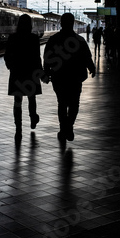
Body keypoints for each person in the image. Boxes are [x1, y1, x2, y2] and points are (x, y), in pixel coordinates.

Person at [43, 13, 96, 142]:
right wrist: (92, 68)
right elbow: (87, 57)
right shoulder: (79, 40)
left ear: (61, 23)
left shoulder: (53, 39)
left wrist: (46, 71)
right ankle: (69, 127)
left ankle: (63, 129)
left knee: (62, 104)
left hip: (58, 77)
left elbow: (47, 57)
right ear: (72, 23)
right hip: (75, 77)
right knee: (74, 104)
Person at [4, 14, 42, 142]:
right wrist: (40, 72)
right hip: (31, 73)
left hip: (17, 73)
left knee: (17, 102)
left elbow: (6, 56)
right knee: (32, 98)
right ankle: (33, 118)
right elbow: (37, 57)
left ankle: (18, 129)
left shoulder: (13, 38)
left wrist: (10, 66)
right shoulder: (34, 38)